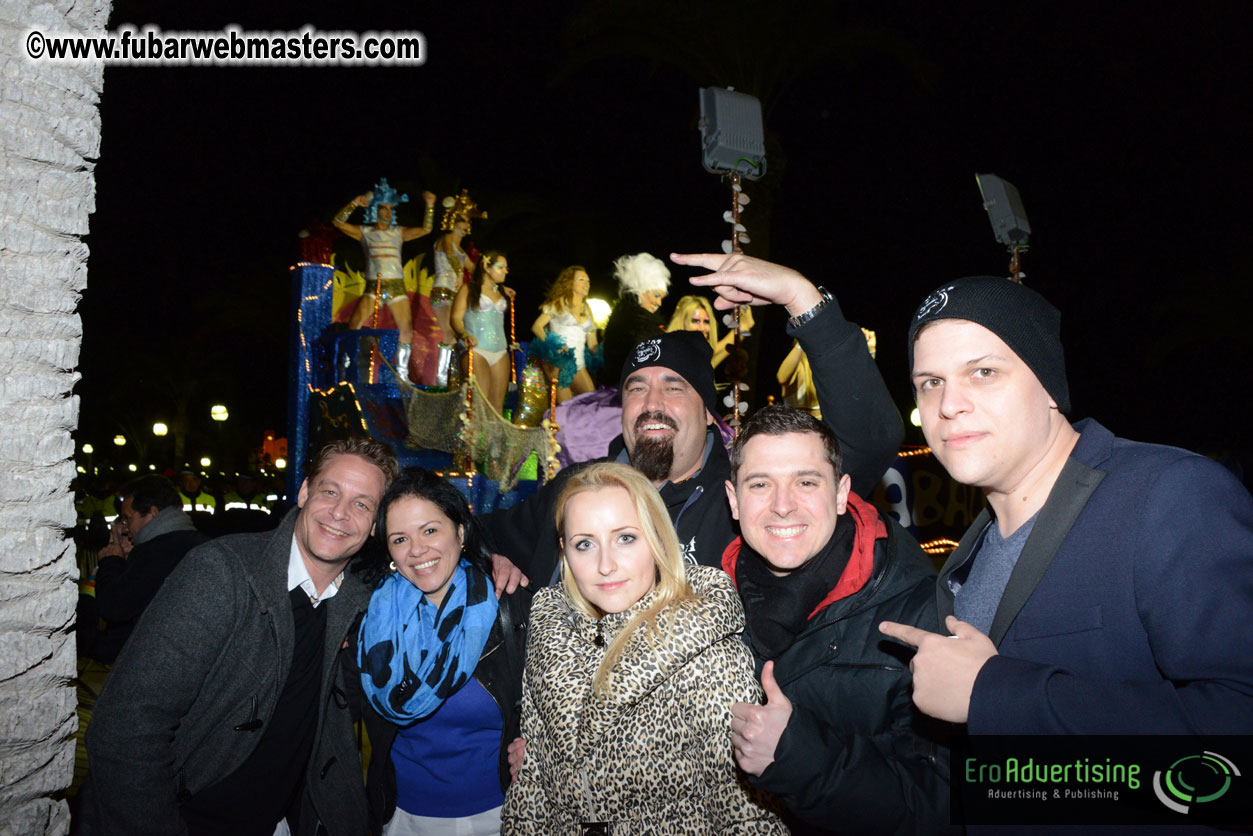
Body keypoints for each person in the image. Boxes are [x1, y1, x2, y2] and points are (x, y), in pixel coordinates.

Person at [879, 276, 1253, 735]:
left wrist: (995, 694)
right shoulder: (971, 557)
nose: (949, 404)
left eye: (983, 372)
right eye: (931, 382)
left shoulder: (1168, 495)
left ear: (1050, 386)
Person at [485, 252, 903, 590]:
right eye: (635, 388)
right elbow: (470, 534)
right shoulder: (574, 490)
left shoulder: (743, 501)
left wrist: (801, 298)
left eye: (673, 386)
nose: (651, 403)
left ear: (707, 410)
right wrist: (497, 556)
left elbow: (870, 441)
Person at [83, 437, 399, 836]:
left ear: (374, 525)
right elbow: (124, 728)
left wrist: (489, 560)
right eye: (330, 491)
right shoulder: (221, 572)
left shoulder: (361, 601)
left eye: (361, 504)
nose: (339, 513)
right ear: (303, 492)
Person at [501, 463, 785, 834]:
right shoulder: (552, 636)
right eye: (585, 544)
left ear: (658, 541)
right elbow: (531, 790)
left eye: (625, 538)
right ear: (564, 551)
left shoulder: (705, 652)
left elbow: (746, 816)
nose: (605, 565)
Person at [723, 406, 950, 835]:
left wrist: (798, 756)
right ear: (734, 500)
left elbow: (941, 805)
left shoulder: (918, 617)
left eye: (806, 482)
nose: (783, 506)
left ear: (842, 493)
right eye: (760, 484)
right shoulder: (708, 612)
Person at [348, 468, 531, 835]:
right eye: (400, 539)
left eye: (430, 530)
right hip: (401, 817)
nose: (417, 550)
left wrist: (539, 743)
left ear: (460, 532)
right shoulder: (368, 619)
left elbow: (559, 702)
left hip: (500, 815)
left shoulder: (509, 606)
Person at [92, 474, 209, 664]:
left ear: (152, 513)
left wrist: (112, 560)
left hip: (157, 663)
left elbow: (113, 606)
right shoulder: (198, 543)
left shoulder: (157, 551)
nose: (127, 527)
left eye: (128, 518)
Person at [332, 179, 439, 383]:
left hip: (396, 287)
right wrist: (354, 202)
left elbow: (425, 229)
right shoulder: (365, 232)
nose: (388, 212)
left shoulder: (398, 232)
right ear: (375, 210)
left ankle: (403, 374)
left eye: (390, 209)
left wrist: (431, 206)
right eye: (383, 208)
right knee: (354, 323)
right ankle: (346, 366)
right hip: (373, 287)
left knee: (406, 329)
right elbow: (337, 222)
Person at [452, 251, 517, 415]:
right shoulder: (469, 288)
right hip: (477, 350)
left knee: (497, 407)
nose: (506, 271)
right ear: (487, 267)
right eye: (501, 267)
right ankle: (473, 440)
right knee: (478, 404)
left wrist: (504, 289)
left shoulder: (502, 291)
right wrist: (464, 334)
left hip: (500, 352)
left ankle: (493, 441)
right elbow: (454, 318)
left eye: (507, 268)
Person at [529, 265, 600, 402]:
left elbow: (592, 343)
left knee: (592, 403)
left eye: (588, 281)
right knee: (565, 409)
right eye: (581, 280)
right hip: (559, 364)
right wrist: (555, 347)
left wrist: (604, 353)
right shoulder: (559, 303)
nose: (586, 284)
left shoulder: (588, 309)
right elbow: (537, 327)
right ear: (570, 283)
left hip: (579, 365)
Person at [600, 252, 670, 382]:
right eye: (656, 296)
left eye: (661, 297)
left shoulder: (633, 319)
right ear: (640, 291)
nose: (659, 303)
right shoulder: (634, 324)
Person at [432, 189, 487, 345]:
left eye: (469, 221)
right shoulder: (446, 238)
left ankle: (454, 369)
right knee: (450, 332)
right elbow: (449, 253)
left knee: (457, 334)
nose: (468, 224)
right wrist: (459, 273)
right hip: (442, 291)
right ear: (454, 222)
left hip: (456, 296)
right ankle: (443, 370)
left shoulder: (462, 251)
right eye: (464, 220)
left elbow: (474, 269)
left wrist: (487, 265)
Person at [666, 293, 753, 369]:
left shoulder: (705, 362)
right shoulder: (668, 356)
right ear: (682, 323)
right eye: (695, 321)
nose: (702, 328)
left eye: (706, 322)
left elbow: (745, 326)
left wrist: (740, 296)